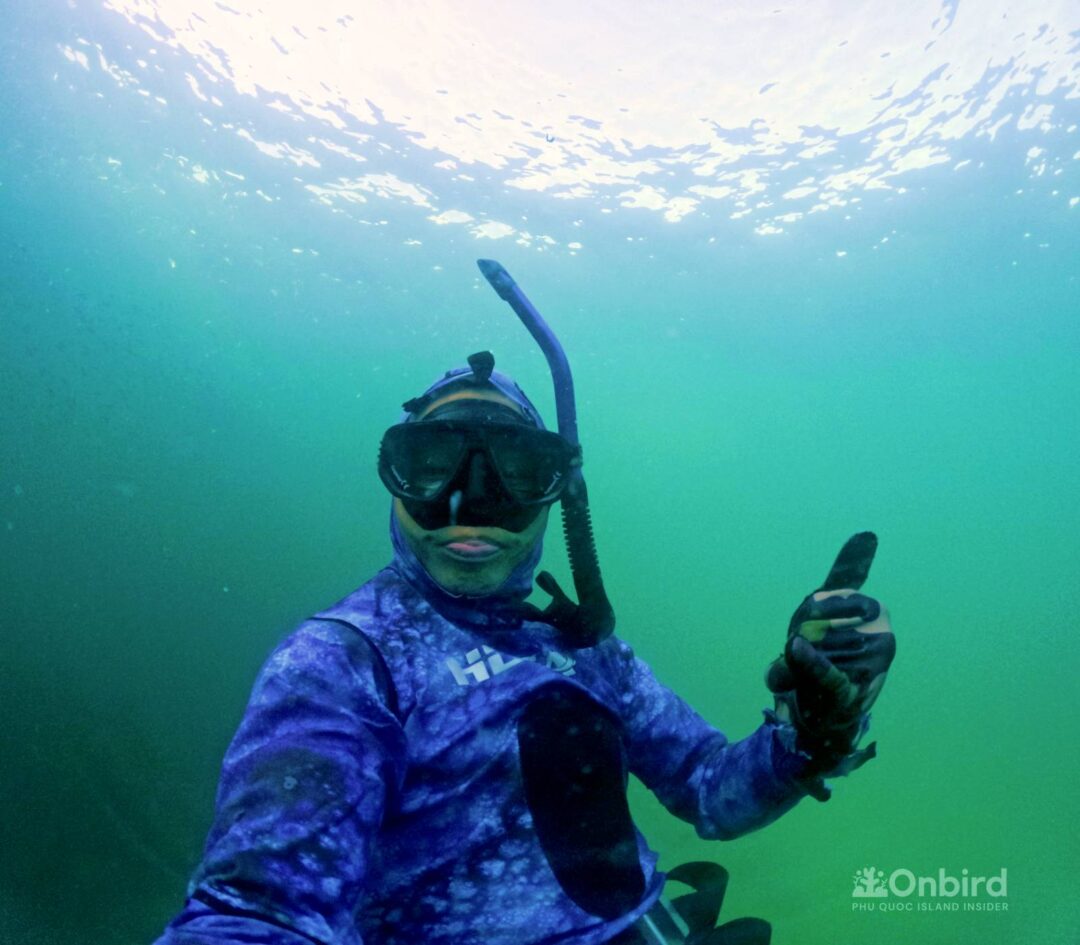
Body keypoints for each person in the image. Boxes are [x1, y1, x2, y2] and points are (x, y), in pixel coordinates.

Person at [153, 265, 895, 945]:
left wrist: (814, 732)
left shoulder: (585, 649)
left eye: (516, 469)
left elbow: (711, 790)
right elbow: (256, 910)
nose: (471, 501)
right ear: (395, 477)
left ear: (559, 491)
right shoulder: (346, 662)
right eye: (432, 465)